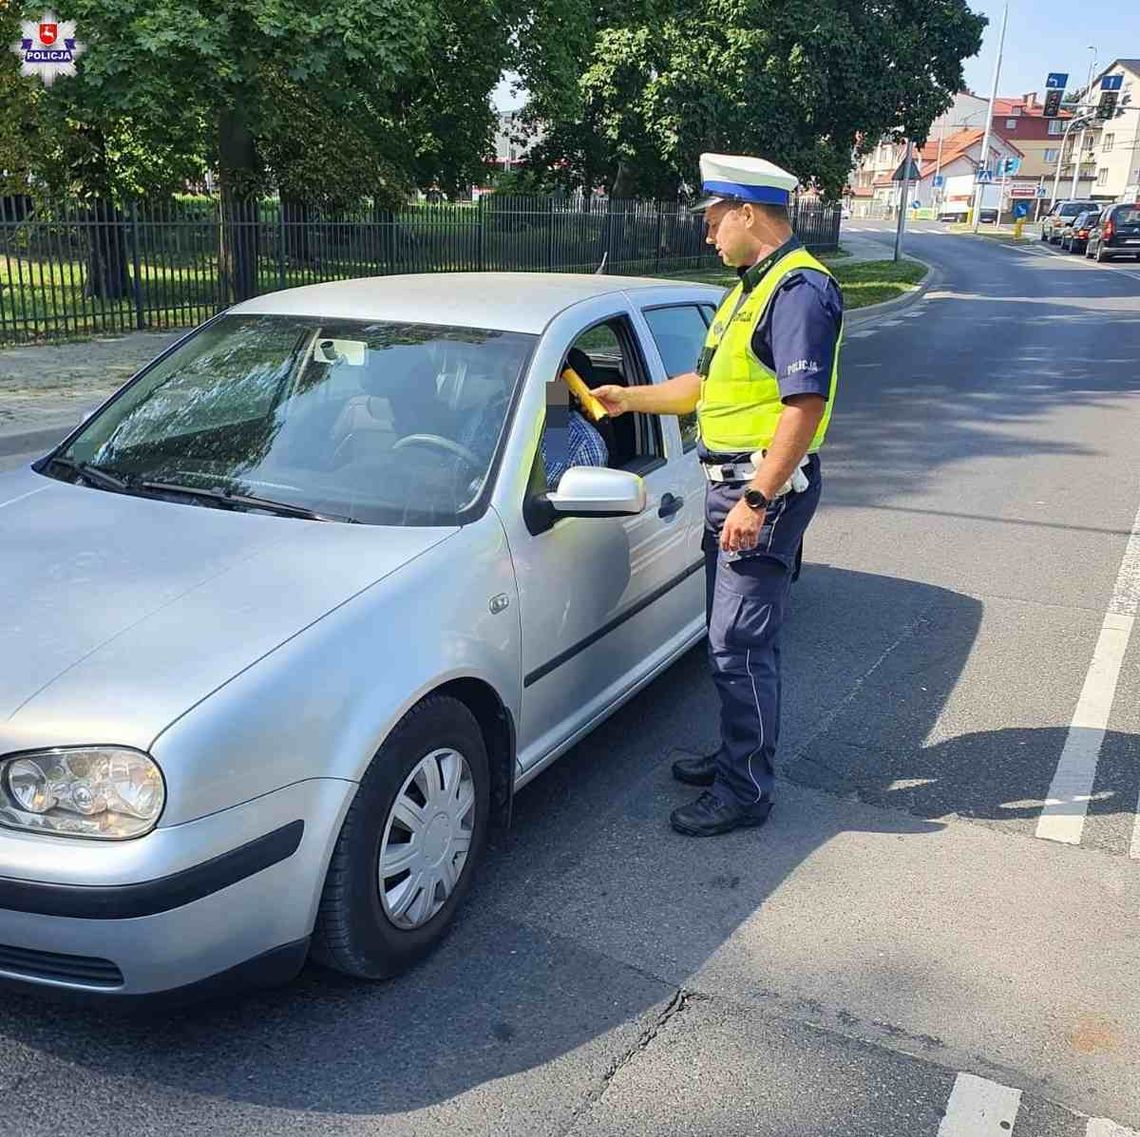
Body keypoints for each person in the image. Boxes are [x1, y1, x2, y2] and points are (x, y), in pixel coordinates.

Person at [592, 153, 843, 837]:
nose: (707, 235)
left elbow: (804, 406)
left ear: (747, 213)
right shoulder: (746, 289)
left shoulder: (796, 291)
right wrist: (627, 399)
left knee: (739, 646)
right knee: (730, 639)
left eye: (712, 220)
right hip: (732, 486)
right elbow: (700, 389)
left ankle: (746, 789)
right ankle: (737, 753)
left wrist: (757, 501)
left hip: (761, 489)